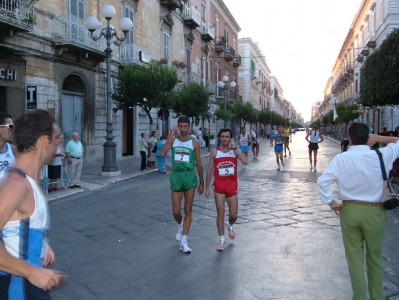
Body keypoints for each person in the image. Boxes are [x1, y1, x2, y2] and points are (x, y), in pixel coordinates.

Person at [317, 122, 399, 300]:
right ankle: (377, 296)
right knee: (375, 258)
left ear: (350, 138)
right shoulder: (382, 155)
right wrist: (380, 138)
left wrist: (331, 202)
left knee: (354, 259)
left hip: (349, 210)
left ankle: (360, 297)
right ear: (368, 138)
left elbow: (322, 181)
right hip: (375, 211)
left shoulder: (341, 159)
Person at [0, 109, 64, 298]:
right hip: (17, 289)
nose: (57, 144)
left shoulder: (29, 182)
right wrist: (31, 271)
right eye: (56, 138)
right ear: (44, 140)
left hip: (30, 287)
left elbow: (18, 228)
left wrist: (41, 245)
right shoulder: (16, 185)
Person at [161, 116, 204, 253]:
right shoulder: (173, 140)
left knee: (188, 209)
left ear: (189, 127)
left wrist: (201, 181)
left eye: (186, 127)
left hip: (189, 176)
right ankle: (180, 225)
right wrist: (170, 136)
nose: (183, 129)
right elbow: (162, 153)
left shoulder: (195, 142)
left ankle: (184, 240)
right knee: (176, 211)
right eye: (181, 126)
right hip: (176, 176)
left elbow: (199, 162)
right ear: (177, 126)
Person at [205, 128, 249, 251]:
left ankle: (229, 224)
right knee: (220, 213)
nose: (225, 139)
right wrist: (207, 187)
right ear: (220, 138)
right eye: (223, 136)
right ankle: (222, 239)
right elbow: (209, 170)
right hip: (219, 185)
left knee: (234, 215)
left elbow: (246, 162)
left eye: (227, 136)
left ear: (230, 138)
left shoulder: (234, 152)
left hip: (232, 185)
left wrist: (236, 149)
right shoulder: (215, 152)